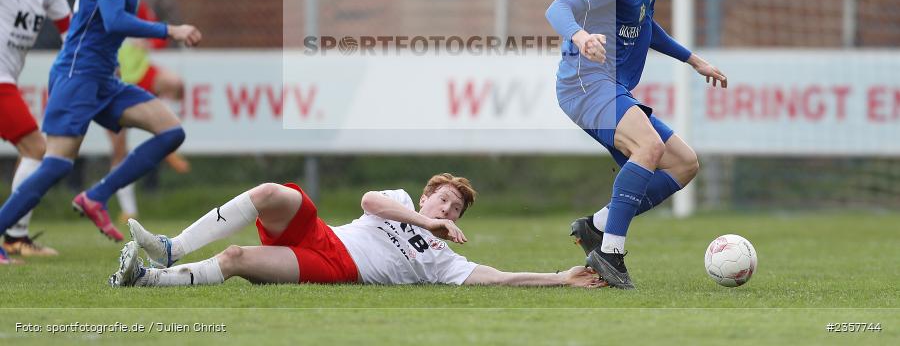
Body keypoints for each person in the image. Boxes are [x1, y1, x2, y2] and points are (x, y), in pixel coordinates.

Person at [0, 0, 202, 245]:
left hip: (105, 78)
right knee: (56, 164)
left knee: (171, 132)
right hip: (77, 75)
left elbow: (82, 23)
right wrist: (170, 30)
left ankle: (96, 196)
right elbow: (112, 20)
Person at [545, 0, 728, 289]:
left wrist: (693, 60)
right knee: (649, 146)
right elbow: (559, 7)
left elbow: (645, 23)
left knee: (684, 163)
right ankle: (610, 252)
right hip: (584, 83)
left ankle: (595, 227)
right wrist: (580, 36)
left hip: (610, 87)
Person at [109, 173, 605, 289]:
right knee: (271, 193)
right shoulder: (405, 205)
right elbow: (367, 202)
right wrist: (422, 217)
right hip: (324, 233)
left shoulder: (442, 257)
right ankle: (171, 248)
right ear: (427, 195)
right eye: (444, 200)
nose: (446, 210)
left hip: (335, 265)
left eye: (454, 210)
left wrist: (560, 278)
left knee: (238, 257)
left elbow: (495, 277)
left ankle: (148, 279)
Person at [0, 0, 71, 263]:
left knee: (34, 151)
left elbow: (69, 34)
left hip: (7, 79)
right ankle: (13, 234)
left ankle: (14, 235)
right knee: (36, 148)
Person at [108, 0, 191, 223]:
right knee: (119, 149)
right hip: (114, 82)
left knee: (175, 84)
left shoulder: (139, 5)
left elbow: (159, 38)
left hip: (143, 74)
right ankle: (129, 210)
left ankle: (168, 140)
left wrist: (149, 44)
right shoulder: (101, 6)